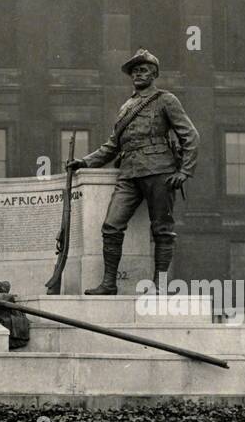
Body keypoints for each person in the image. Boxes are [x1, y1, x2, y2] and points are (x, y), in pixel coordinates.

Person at [69, 47, 199, 294]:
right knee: (111, 226)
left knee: (162, 229)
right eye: (134, 71)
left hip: (160, 171)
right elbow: (111, 146)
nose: (138, 74)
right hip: (128, 174)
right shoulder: (126, 107)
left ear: (154, 74)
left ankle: (160, 286)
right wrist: (85, 162)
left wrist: (185, 171)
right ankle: (109, 283)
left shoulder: (166, 100)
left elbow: (190, 136)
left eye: (144, 70)